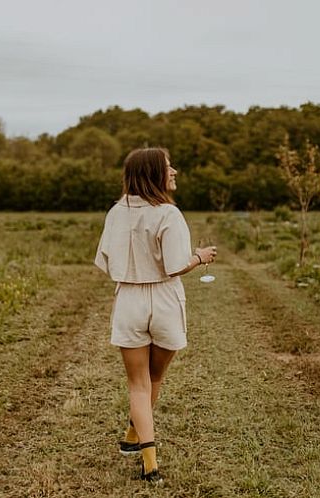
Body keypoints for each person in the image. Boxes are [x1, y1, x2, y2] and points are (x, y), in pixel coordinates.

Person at [94, 147, 217, 483]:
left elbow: (104, 261)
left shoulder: (115, 212)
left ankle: (144, 452)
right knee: (154, 377)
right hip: (164, 297)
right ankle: (143, 453)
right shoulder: (168, 214)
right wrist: (200, 256)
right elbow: (177, 265)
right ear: (153, 174)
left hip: (129, 298)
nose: (174, 171)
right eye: (167, 167)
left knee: (138, 384)